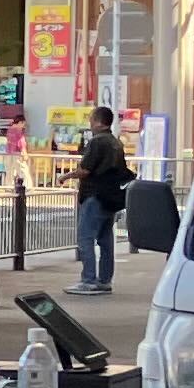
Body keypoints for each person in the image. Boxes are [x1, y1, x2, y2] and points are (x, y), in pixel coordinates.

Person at [75, 102, 133, 295]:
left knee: (86, 237)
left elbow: (85, 170)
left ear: (98, 122)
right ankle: (105, 280)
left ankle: (88, 280)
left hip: (94, 194)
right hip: (111, 196)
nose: (90, 123)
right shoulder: (116, 142)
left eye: (91, 119)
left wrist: (66, 176)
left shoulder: (97, 142)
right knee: (105, 239)